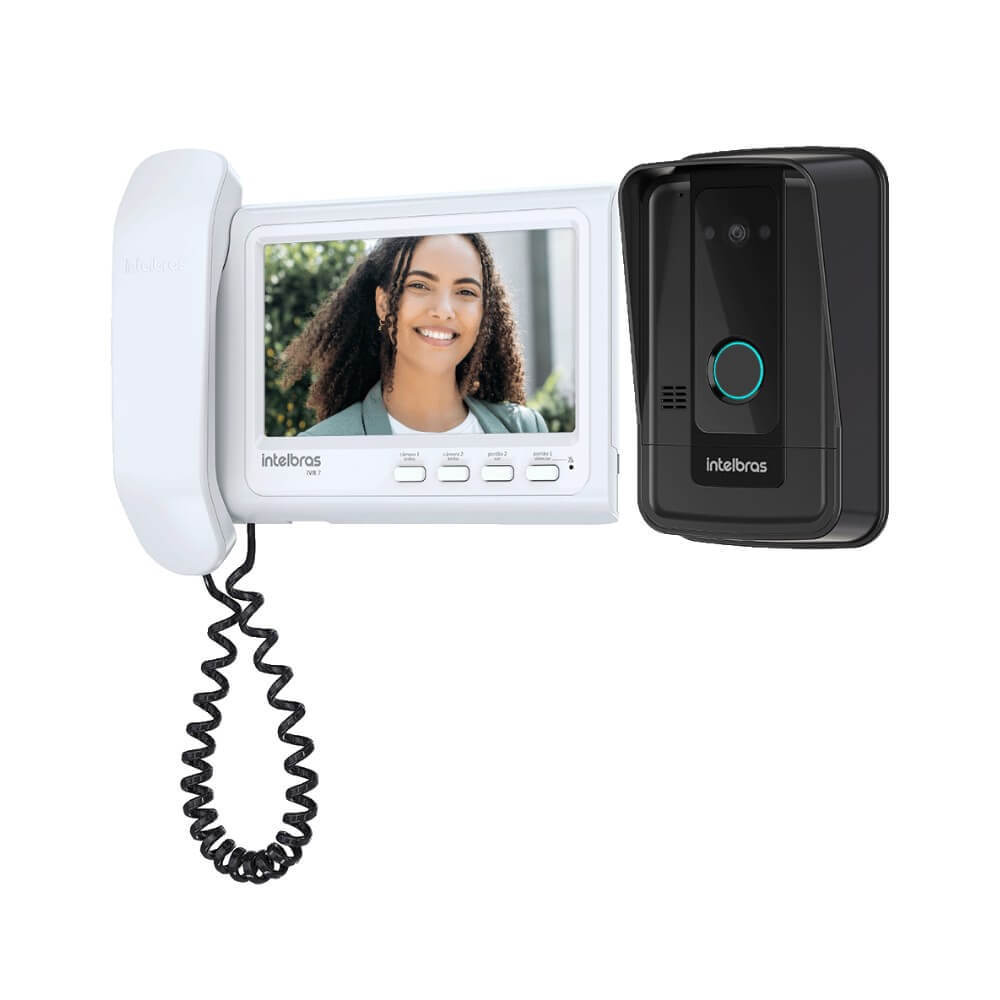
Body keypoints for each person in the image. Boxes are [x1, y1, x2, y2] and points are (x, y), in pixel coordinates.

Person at [280, 233, 547, 435]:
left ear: (483, 312)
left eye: (466, 291)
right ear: (383, 304)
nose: (443, 311)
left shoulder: (523, 430)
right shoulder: (326, 445)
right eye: (420, 285)